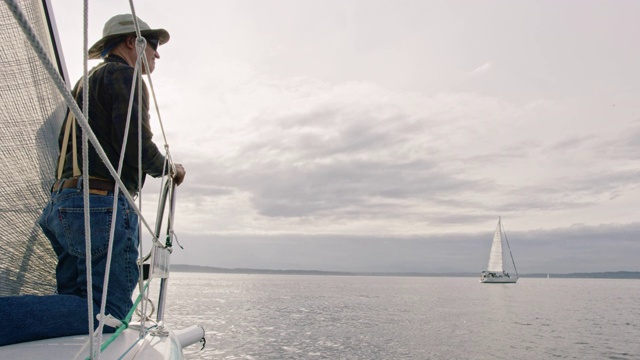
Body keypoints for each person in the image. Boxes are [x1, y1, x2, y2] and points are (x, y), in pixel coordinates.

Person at [0, 14, 185, 346]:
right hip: (100, 206)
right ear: (133, 42)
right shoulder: (126, 77)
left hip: (63, 204)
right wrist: (169, 169)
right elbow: (136, 147)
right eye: (153, 45)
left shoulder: (84, 84)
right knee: (108, 312)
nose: (157, 54)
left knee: (77, 308)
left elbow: (52, 135)